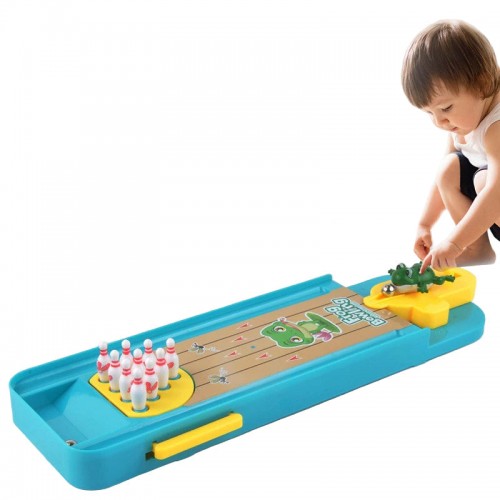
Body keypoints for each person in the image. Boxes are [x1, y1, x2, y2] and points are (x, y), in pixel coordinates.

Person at [401, 20, 500, 271]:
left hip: (495, 196)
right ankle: (478, 248)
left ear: (482, 83)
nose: (439, 121)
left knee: (485, 181)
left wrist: (454, 243)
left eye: (445, 108)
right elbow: (442, 179)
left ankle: (467, 244)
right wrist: (425, 223)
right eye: (429, 113)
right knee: (448, 168)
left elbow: (496, 191)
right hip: (491, 206)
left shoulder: (496, 126)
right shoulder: (462, 121)